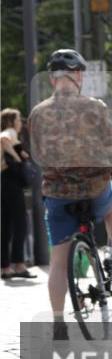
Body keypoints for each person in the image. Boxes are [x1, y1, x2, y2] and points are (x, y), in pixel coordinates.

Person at [28, 49, 112, 334]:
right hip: (94, 188)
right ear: (79, 75)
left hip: (58, 194)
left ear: (52, 79)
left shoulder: (38, 113)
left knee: (58, 262)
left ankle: (59, 323)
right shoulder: (94, 107)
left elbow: (38, 153)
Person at [1, 108, 35, 279]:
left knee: (5, 225)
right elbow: (3, 139)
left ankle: (5, 267)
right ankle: (19, 265)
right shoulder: (10, 132)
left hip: (3, 181)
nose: (20, 123)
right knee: (20, 224)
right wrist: (17, 156)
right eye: (18, 120)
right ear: (11, 122)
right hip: (11, 183)